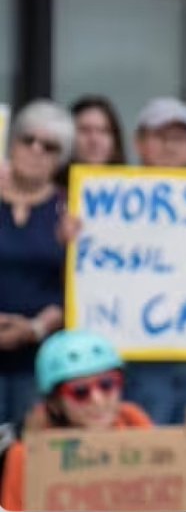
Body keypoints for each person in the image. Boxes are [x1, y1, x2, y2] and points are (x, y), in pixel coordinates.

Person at [115, 97, 186, 498]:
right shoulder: (113, 203)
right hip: (144, 362)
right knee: (144, 471)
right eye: (161, 136)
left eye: (181, 137)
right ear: (139, 144)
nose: (171, 146)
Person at [0, 330, 186, 511]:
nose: (97, 400)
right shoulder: (27, 456)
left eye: (108, 384)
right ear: (54, 402)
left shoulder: (147, 440)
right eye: (80, 392)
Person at [0, 101, 71, 429]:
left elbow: (74, 286)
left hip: (39, 361)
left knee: (25, 461)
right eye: (28, 139)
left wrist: (35, 328)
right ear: (12, 143)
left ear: (60, 159)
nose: (36, 150)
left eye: (50, 146)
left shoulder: (68, 210)